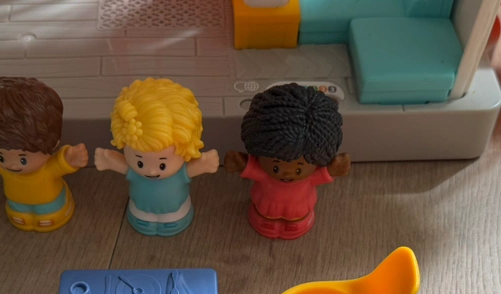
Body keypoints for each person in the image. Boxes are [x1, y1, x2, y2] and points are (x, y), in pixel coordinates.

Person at [94, 78, 219, 237]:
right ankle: (145, 220)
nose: (152, 171)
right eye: (140, 162)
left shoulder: (177, 170)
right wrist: (109, 160)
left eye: (162, 165)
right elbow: (123, 166)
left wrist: (203, 164)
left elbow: (189, 170)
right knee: (142, 216)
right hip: (140, 207)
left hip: (175, 208)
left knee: (173, 217)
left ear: (185, 149)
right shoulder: (135, 168)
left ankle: (172, 221)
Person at [225, 83, 350, 240]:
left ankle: (294, 226)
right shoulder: (265, 172)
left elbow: (321, 175)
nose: (287, 173)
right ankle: (268, 224)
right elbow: (253, 169)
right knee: (265, 217)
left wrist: (333, 169)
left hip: (299, 208)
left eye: (298, 170)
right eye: (276, 167)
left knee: (296, 221)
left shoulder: (308, 171)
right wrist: (240, 163)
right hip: (266, 205)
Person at [0, 77, 88, 232]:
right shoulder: (4, 167)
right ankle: (22, 215)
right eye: (1, 157)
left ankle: (47, 215)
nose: (12, 165)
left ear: (53, 143)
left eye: (23, 159)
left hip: (49, 203)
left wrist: (71, 158)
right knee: (19, 213)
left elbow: (59, 164)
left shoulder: (46, 168)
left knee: (49, 215)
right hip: (16, 201)